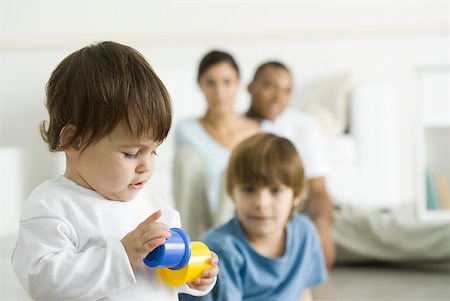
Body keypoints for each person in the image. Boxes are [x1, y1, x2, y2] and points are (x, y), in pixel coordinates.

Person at [11, 41, 218, 301]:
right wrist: (124, 255)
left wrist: (192, 274)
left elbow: (164, 278)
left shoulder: (154, 209)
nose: (147, 166)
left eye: (153, 151)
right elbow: (45, 283)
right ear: (74, 141)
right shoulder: (52, 206)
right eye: (131, 153)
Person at [181, 133, 327, 301]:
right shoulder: (223, 248)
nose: (261, 203)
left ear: (297, 195)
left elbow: (303, 293)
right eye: (249, 189)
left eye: (275, 190)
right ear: (232, 192)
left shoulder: (305, 233)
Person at [173, 50, 272, 240]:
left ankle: (222, 249)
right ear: (200, 85)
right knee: (186, 157)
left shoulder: (259, 132)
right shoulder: (186, 129)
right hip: (199, 221)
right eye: (210, 82)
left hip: (240, 220)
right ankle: (191, 249)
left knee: (233, 170)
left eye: (227, 82)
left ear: (238, 83)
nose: (219, 91)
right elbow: (188, 181)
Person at [246, 61, 335, 268]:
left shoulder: (303, 125)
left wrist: (322, 228)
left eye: (286, 91)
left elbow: (318, 190)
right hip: (259, 214)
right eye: (270, 87)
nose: (279, 97)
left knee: (365, 229)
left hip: (303, 209)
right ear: (251, 88)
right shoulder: (237, 127)